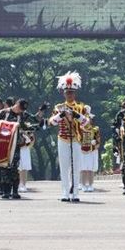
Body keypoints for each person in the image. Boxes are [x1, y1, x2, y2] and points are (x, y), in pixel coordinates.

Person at [48, 71, 89, 202]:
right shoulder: (59, 107)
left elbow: (86, 122)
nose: (69, 94)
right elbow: (51, 122)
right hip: (62, 139)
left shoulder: (81, 107)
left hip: (76, 139)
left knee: (76, 167)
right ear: (64, 93)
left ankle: (75, 193)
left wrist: (76, 115)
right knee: (64, 167)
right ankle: (65, 192)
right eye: (67, 92)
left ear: (75, 93)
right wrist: (61, 115)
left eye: (71, 92)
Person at [79, 105, 101, 192]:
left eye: (90, 119)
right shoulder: (80, 129)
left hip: (92, 151)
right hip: (82, 151)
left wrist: (95, 143)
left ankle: (91, 184)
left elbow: (98, 139)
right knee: (83, 169)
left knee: (91, 169)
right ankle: (83, 184)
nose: (88, 121)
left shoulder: (95, 129)